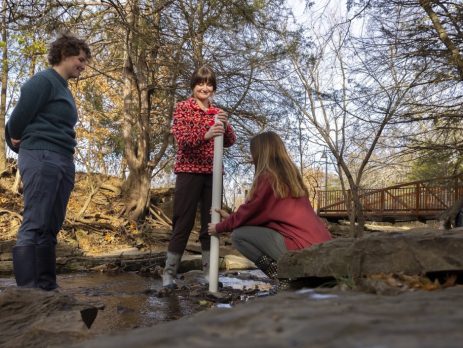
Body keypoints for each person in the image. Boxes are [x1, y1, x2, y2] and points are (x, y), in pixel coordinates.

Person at [5, 34, 91, 290]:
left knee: (51, 226)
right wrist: (16, 142)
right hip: (41, 156)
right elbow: (15, 123)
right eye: (81, 59)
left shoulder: (62, 87)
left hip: (63, 158)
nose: (83, 65)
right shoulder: (43, 81)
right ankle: (28, 293)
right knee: (36, 222)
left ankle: (47, 288)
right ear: (65, 54)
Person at [208, 131, 332, 288]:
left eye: (253, 153)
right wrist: (231, 217)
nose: (252, 158)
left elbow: (250, 211)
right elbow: (260, 216)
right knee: (242, 230)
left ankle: (286, 279)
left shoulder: (268, 178)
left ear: (260, 153)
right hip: (324, 251)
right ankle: (299, 279)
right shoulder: (290, 178)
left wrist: (219, 227)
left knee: (239, 236)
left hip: (305, 254)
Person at [162, 65, 236, 288]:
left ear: (213, 88)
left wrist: (225, 123)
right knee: (182, 222)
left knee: (211, 223)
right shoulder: (182, 108)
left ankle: (209, 273)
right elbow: (182, 139)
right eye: (200, 83)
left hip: (213, 174)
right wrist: (206, 134)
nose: (205, 87)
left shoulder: (217, 111)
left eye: (209, 84)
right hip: (188, 171)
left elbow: (230, 140)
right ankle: (169, 274)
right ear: (193, 86)